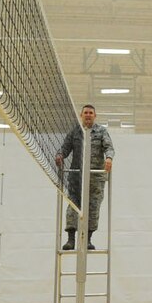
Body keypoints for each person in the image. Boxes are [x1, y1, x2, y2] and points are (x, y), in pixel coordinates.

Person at [54, 104, 114, 250]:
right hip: (77, 178)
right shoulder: (75, 132)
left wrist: (109, 159)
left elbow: (109, 147)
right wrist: (59, 156)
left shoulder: (101, 131)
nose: (88, 115)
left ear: (95, 115)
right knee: (73, 207)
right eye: (85, 113)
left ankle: (87, 239)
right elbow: (64, 148)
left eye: (90, 113)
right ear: (81, 115)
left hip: (95, 179)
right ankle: (71, 240)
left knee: (93, 208)